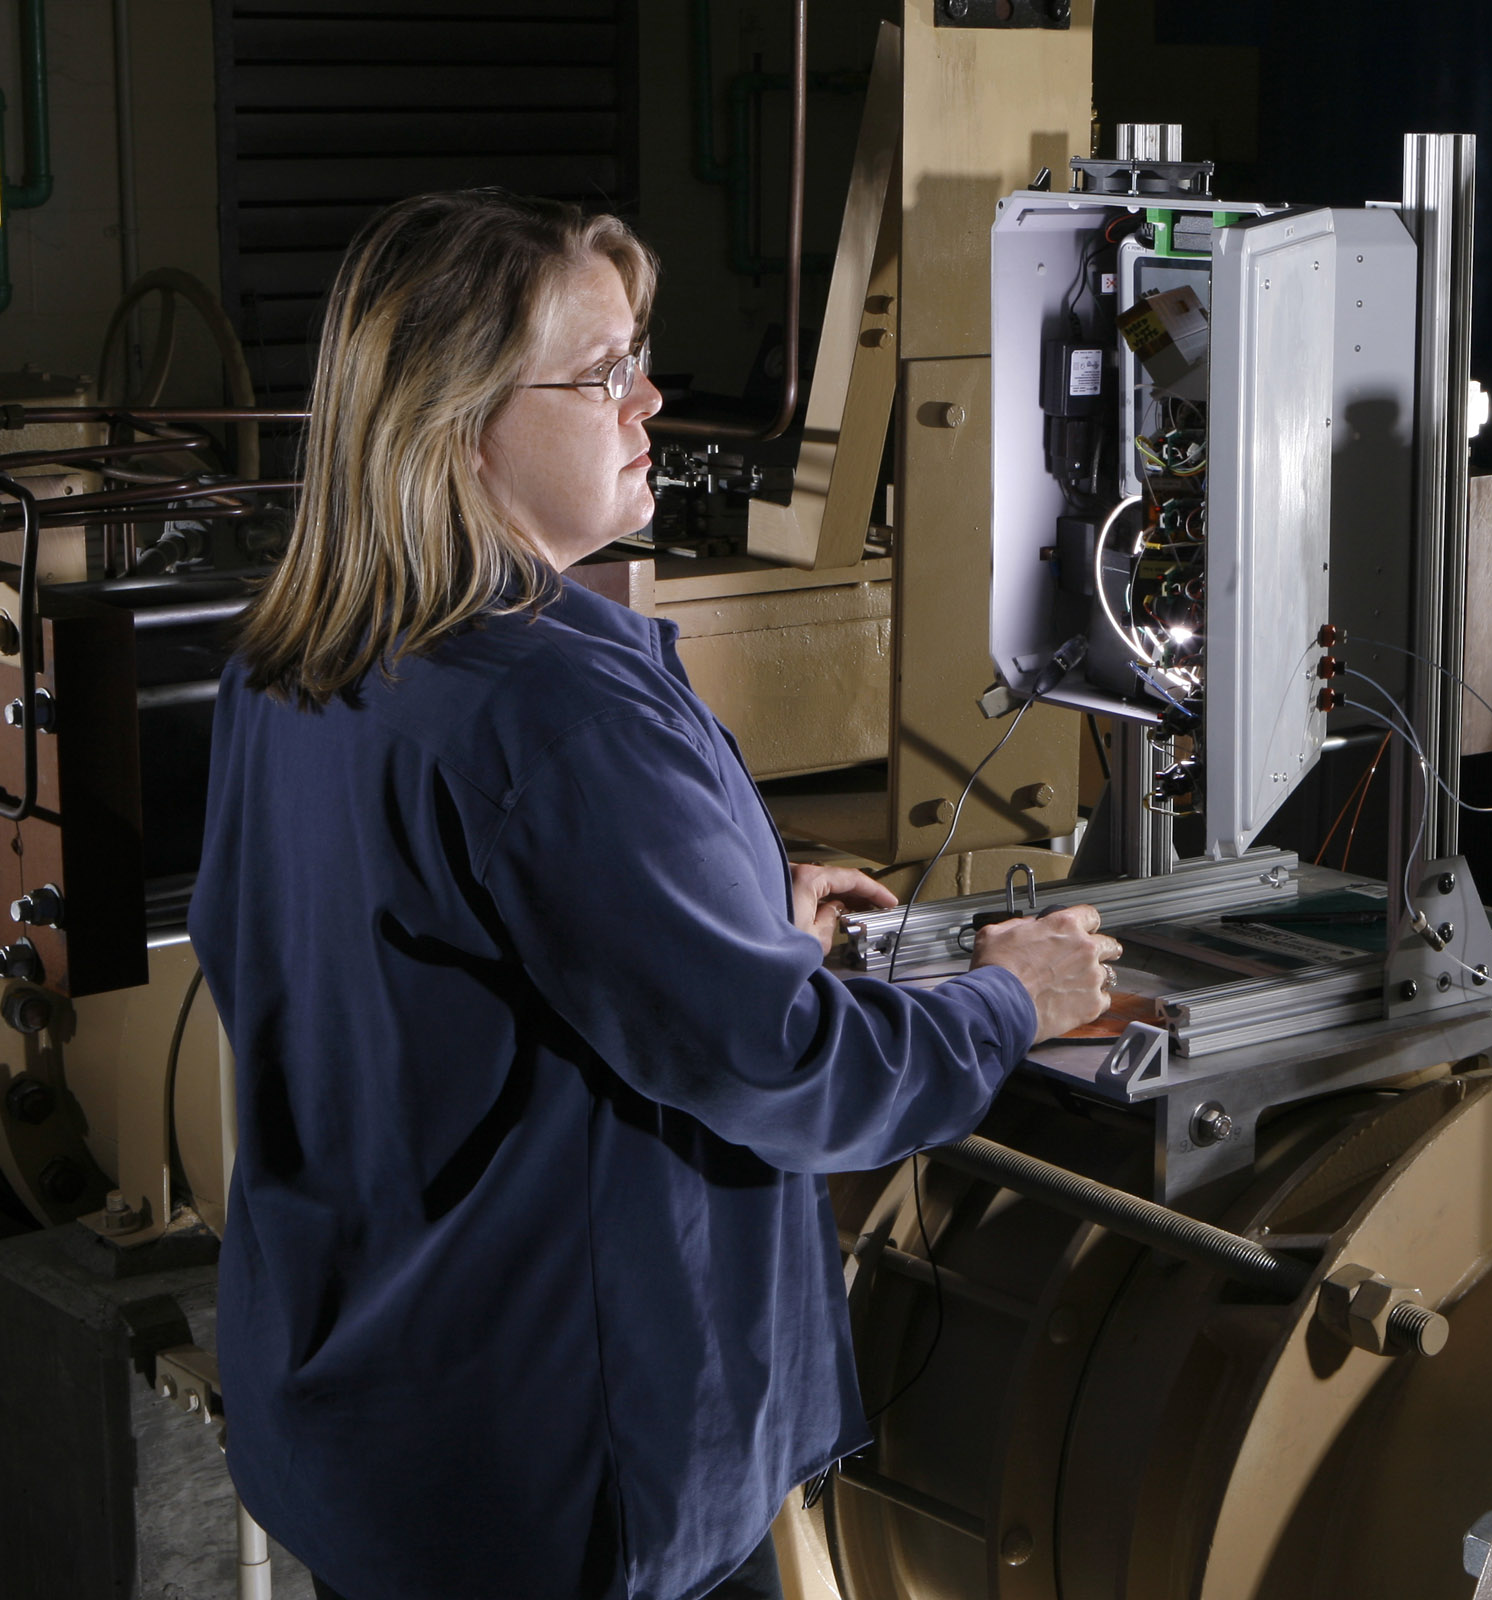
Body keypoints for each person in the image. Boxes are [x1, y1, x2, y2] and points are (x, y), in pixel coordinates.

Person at [188, 189, 1119, 1600]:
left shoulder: (294, 660)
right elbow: (786, 1064)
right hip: (566, 1481)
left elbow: (439, 957)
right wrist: (1011, 1000)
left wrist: (741, 896)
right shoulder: (553, 714)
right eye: (606, 367)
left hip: (373, 1440)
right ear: (461, 423)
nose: (652, 397)